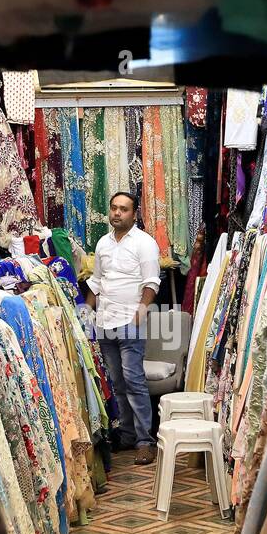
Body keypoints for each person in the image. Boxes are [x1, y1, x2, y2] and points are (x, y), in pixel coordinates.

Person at [85, 191, 160, 465]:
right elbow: (96, 282)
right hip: (105, 322)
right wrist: (85, 314)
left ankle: (145, 441)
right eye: (114, 208)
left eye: (124, 209)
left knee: (134, 381)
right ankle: (127, 435)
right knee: (117, 383)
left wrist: (140, 312)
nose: (117, 213)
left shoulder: (144, 243)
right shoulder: (103, 243)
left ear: (134, 213)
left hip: (130, 321)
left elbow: (151, 282)